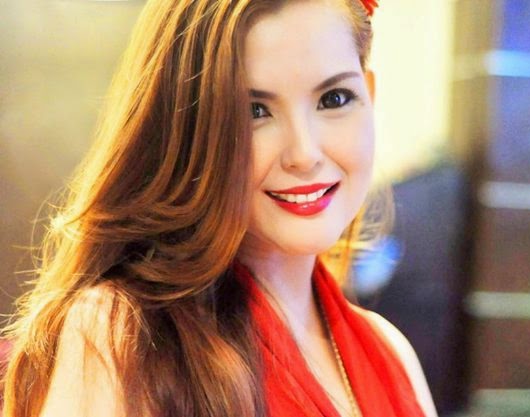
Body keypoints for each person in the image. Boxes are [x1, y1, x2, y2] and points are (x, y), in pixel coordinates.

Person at [3, 1, 438, 416]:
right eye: (254, 111)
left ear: (370, 96)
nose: (304, 154)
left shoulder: (390, 352)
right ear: (188, 130)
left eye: (334, 99)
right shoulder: (122, 335)